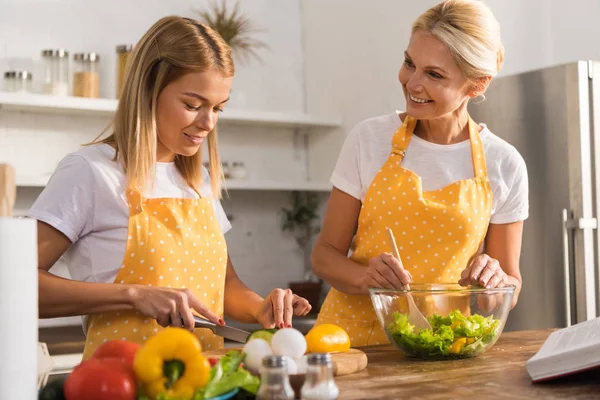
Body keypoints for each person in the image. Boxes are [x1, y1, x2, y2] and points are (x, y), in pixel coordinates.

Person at [29, 16, 311, 359]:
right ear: (149, 89)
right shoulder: (90, 171)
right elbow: (18, 284)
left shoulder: (198, 181)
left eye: (218, 108)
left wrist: (260, 308)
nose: (207, 123)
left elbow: (224, 286)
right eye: (193, 105)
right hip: (124, 383)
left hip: (204, 383)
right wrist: (133, 295)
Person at [311, 0, 528, 346]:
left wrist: (496, 281)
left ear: (476, 85)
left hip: (444, 348)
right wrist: (366, 276)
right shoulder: (369, 140)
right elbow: (324, 256)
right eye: (409, 63)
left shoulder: (504, 163)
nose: (412, 83)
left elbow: (509, 286)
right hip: (356, 346)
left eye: (434, 74)